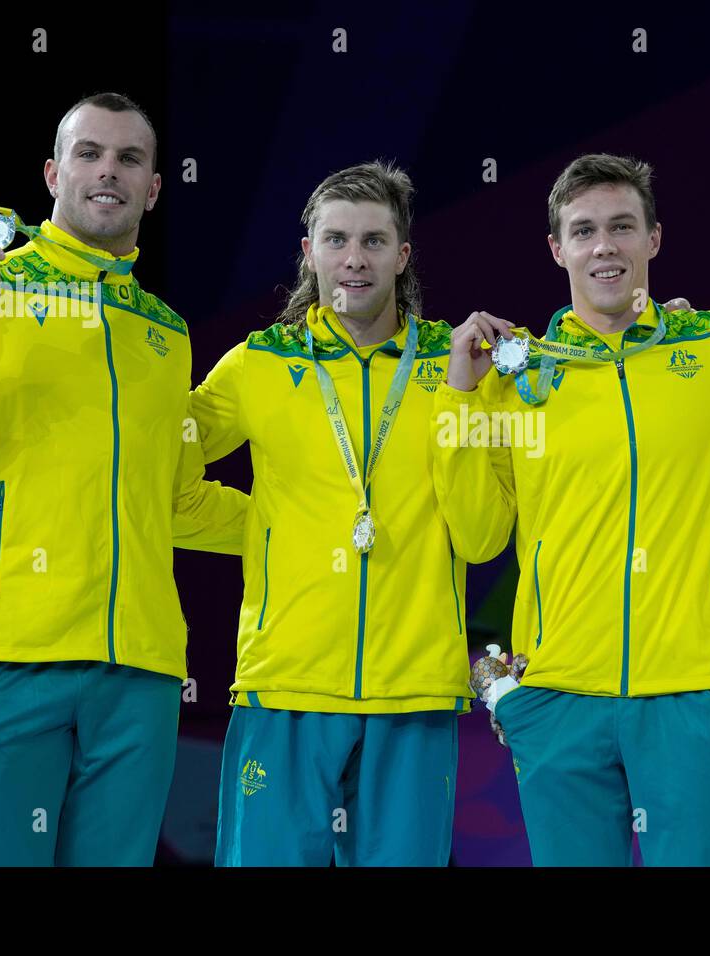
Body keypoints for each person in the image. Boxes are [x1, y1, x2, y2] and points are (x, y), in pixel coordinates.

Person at [0, 92, 247, 866]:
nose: (109, 170)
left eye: (129, 158)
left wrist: (306, 520)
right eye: (90, 153)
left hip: (137, 678)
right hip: (5, 663)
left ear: (155, 187)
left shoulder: (165, 334)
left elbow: (166, 502)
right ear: (52, 172)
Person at [432, 153, 710, 865]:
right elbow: (479, 534)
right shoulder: (519, 376)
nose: (604, 246)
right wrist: (460, 400)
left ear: (654, 239)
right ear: (558, 249)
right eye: (584, 231)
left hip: (688, 692)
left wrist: (708, 555)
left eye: (622, 226)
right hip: (556, 701)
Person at [192, 161, 490, 866]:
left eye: (374, 241)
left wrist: (461, 399)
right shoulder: (257, 366)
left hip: (413, 694)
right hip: (286, 686)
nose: (354, 260)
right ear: (308, 252)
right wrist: (269, 528)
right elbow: (154, 481)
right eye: (335, 240)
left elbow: (484, 531)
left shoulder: (451, 367)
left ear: (403, 254)